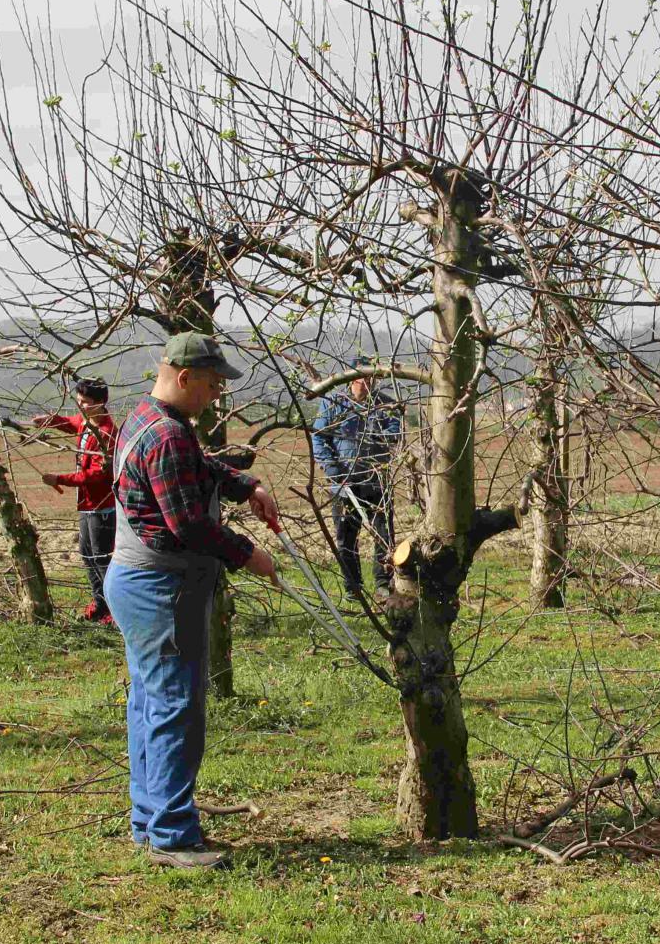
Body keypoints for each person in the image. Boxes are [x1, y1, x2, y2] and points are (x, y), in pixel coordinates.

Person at [103, 334, 281, 870]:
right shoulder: (167, 436)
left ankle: (149, 820)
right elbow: (188, 524)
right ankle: (172, 836)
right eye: (211, 384)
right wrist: (248, 554)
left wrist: (246, 486)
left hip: (137, 582)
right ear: (184, 378)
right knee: (175, 710)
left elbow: (196, 470)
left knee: (150, 704)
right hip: (162, 589)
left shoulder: (148, 419)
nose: (216, 395)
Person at [32, 378, 119, 623]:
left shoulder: (107, 434)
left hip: (102, 507)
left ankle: (114, 611)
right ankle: (100, 604)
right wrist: (50, 421)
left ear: (101, 402)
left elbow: (95, 475)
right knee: (87, 554)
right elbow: (71, 423)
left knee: (102, 559)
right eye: (79, 401)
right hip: (87, 505)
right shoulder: (86, 421)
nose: (81, 406)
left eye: (86, 402)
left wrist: (59, 479)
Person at [310, 373, 402, 600]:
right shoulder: (333, 404)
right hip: (344, 483)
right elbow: (319, 437)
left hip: (376, 482)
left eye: (372, 380)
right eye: (363, 379)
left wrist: (378, 435)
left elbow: (395, 431)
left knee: (383, 535)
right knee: (346, 537)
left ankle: (383, 584)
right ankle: (353, 587)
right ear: (352, 380)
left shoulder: (385, 404)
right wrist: (332, 469)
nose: (368, 384)